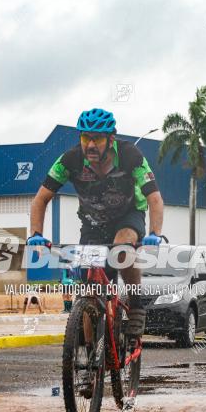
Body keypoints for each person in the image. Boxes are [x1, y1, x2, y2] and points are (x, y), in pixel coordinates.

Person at [27, 108, 165, 337]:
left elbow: (155, 199)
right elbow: (40, 199)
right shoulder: (70, 160)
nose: (90, 145)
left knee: (123, 246)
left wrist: (154, 233)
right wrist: (36, 234)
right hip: (93, 223)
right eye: (85, 138)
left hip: (128, 216)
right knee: (90, 293)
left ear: (111, 140)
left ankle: (136, 304)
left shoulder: (131, 155)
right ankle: (89, 355)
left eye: (97, 138)